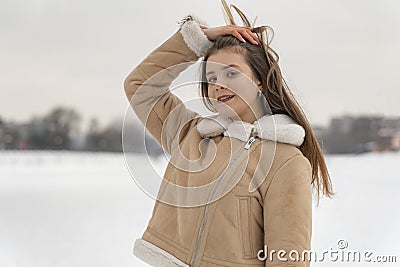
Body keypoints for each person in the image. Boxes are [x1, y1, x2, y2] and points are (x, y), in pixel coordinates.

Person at [123, 1, 334, 266]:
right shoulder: (190, 135)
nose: (218, 85)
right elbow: (140, 86)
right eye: (211, 78)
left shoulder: (286, 162)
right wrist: (196, 41)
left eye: (231, 73)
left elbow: (288, 258)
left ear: (259, 78)